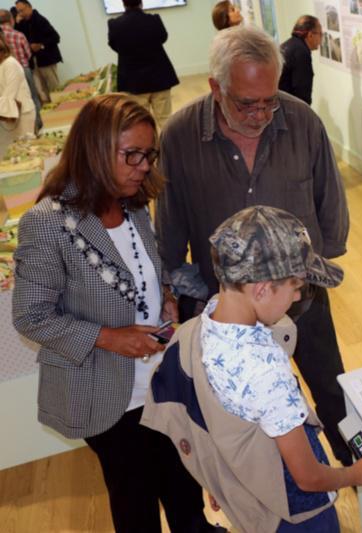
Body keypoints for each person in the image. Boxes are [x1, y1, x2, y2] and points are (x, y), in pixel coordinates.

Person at [12, 94, 223, 533]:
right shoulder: (48, 222)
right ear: (94, 151)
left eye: (149, 154)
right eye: (132, 155)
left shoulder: (133, 206)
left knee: (183, 487)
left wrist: (163, 293)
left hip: (159, 381)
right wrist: (110, 337)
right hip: (105, 392)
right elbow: (31, 316)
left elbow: (145, 266)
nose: (144, 166)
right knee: (135, 500)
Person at [155, 25, 354, 468]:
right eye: (247, 103)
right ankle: (274, 485)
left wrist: (318, 267)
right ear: (215, 87)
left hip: (300, 297)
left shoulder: (301, 120)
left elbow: (329, 199)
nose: (261, 113)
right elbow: (169, 224)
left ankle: (361, 480)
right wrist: (173, 283)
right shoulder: (180, 135)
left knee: (331, 390)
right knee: (244, 415)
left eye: (270, 99)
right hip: (231, 312)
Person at [143, 206, 362, 532]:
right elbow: (308, 478)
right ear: (261, 289)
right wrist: (357, 473)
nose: (299, 296)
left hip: (249, 496)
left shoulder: (193, 332)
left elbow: (201, 420)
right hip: (297, 518)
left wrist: (219, 477)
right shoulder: (266, 374)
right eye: (296, 286)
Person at [108, 0, 180, 129]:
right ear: (141, 3)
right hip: (160, 77)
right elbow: (163, 38)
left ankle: (149, 148)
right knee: (165, 119)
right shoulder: (154, 20)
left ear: (123, 4)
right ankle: (170, 147)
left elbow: (114, 46)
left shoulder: (114, 25)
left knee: (142, 121)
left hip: (134, 82)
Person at [0, 8, 40, 132]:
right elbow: (28, 54)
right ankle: (39, 126)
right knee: (34, 97)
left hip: (19, 115)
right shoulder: (18, 34)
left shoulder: (10, 64)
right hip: (24, 67)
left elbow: (8, 95)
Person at [13, 0, 61, 104]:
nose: (20, 13)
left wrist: (40, 45)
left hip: (47, 59)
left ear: (29, 7)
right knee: (41, 92)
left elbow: (56, 37)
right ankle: (50, 115)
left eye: (22, 10)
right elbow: (17, 36)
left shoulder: (40, 20)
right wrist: (16, 23)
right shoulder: (23, 23)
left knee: (55, 89)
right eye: (18, 11)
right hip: (34, 62)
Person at [0, 32, 34, 156]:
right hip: (10, 115)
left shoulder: (10, 64)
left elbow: (9, 94)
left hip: (23, 114)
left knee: (28, 153)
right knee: (17, 154)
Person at [278, 15, 322, 105]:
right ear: (310, 35)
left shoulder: (288, 45)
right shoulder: (301, 53)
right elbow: (302, 92)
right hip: (289, 109)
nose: (321, 39)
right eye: (320, 34)